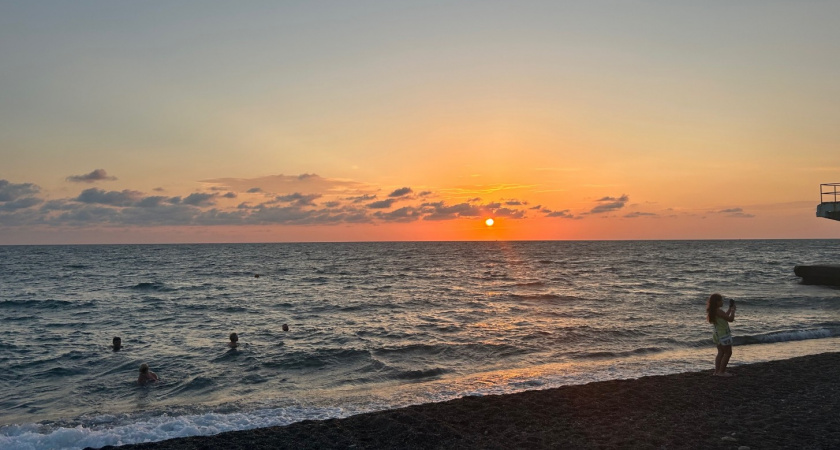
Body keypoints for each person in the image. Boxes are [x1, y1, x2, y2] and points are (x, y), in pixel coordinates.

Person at [706, 293, 736, 376]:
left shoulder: (714, 311)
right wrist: (733, 311)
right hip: (724, 334)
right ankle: (721, 372)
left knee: (720, 352)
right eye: (721, 300)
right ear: (717, 302)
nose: (722, 302)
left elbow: (724, 316)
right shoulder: (718, 311)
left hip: (717, 334)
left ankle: (717, 371)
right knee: (728, 353)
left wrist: (730, 309)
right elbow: (730, 319)